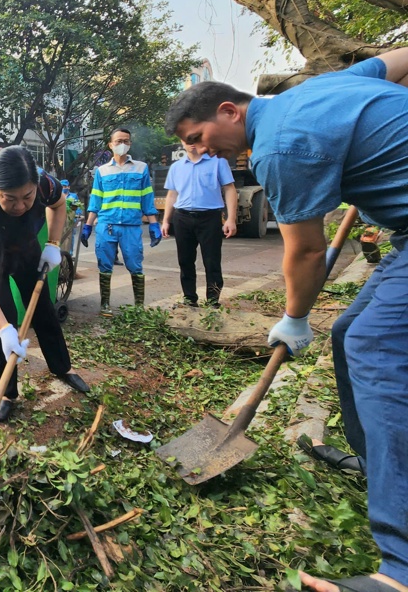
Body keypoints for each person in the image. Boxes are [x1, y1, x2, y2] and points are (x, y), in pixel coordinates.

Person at [165, 47, 408, 592]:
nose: (204, 151)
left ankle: (402, 568)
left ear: (229, 111)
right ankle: (382, 465)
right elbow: (398, 60)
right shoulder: (319, 90)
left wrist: (295, 318)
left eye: (200, 138)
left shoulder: (280, 146)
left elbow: (302, 252)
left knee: (374, 347)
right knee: (347, 334)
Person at [0, 146, 91, 422]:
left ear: (36, 186)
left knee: (44, 310)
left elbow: (59, 205)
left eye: (27, 197)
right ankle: (7, 392)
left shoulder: (45, 183)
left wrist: (53, 244)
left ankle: (62, 368)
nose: (20, 206)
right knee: (2, 323)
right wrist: (5, 329)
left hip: (29, 252)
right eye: (9, 198)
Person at [82, 128, 160, 316]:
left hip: (131, 226)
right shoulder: (102, 171)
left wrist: (154, 223)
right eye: (118, 141)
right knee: (105, 264)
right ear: (110, 145)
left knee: (135, 264)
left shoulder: (141, 168)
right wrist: (88, 225)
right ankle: (105, 305)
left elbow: (147, 198)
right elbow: (96, 201)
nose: (122, 144)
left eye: (125, 141)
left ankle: (139, 307)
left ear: (130, 144)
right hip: (106, 224)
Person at [160, 145, 238, 307]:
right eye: (187, 139)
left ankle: (213, 301)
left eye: (195, 138)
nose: (191, 142)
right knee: (185, 260)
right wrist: (166, 220)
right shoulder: (176, 167)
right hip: (182, 217)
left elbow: (229, 188)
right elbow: (172, 194)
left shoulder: (218, 162)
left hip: (209, 218)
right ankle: (189, 298)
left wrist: (231, 218)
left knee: (212, 261)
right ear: (182, 142)